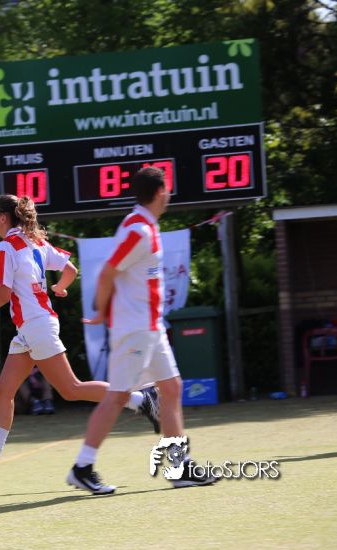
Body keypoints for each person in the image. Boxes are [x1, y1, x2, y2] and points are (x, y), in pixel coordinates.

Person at [0, 195, 159, 483]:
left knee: (71, 389)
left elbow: (4, 294)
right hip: (32, 327)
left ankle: (141, 399)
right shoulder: (35, 242)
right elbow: (71, 269)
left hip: (36, 326)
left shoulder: (4, 247)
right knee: (3, 391)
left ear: (4, 218)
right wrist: (59, 287)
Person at [72, 166, 217, 494]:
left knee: (172, 389)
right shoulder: (139, 230)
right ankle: (82, 467)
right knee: (117, 397)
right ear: (160, 192)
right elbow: (107, 273)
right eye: (167, 189)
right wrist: (100, 312)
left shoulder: (144, 226)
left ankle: (179, 467)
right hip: (135, 328)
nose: (170, 195)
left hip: (150, 327)